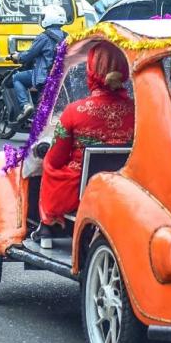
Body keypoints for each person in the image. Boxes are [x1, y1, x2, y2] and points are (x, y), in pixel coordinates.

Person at [33, 43, 135, 248]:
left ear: (91, 70)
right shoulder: (138, 110)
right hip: (129, 182)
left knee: (50, 166)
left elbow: (55, 158)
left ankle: (49, 223)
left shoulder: (75, 111)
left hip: (81, 187)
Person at [9, 5, 67, 121]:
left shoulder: (44, 37)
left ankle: (25, 105)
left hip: (44, 76)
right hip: (62, 79)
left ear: (48, 18)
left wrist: (17, 56)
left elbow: (28, 55)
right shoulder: (67, 37)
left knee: (17, 78)